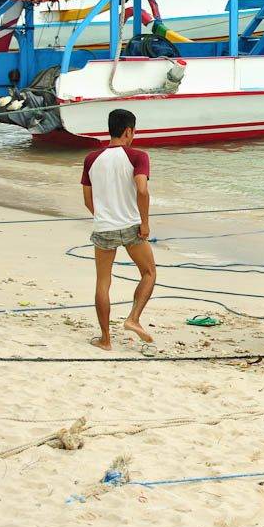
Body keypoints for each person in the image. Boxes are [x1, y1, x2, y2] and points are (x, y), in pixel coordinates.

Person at [80, 109, 156, 351]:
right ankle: (133, 318)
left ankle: (105, 339)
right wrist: (144, 222)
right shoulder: (138, 156)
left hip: (104, 227)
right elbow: (142, 190)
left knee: (103, 282)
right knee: (149, 273)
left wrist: (103, 216)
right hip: (132, 226)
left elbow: (87, 199)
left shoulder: (91, 158)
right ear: (128, 131)